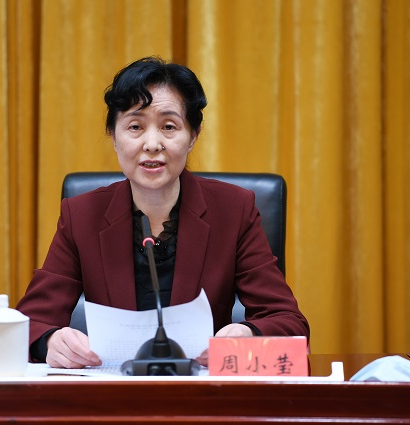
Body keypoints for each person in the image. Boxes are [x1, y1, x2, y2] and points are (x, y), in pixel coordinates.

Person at [16, 56, 309, 369]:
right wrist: (50, 341)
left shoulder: (234, 210)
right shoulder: (82, 215)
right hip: (113, 392)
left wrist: (248, 334)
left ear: (193, 136)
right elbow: (29, 324)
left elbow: (289, 322)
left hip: (201, 391)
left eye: (169, 127)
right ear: (113, 136)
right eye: (135, 127)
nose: (152, 144)